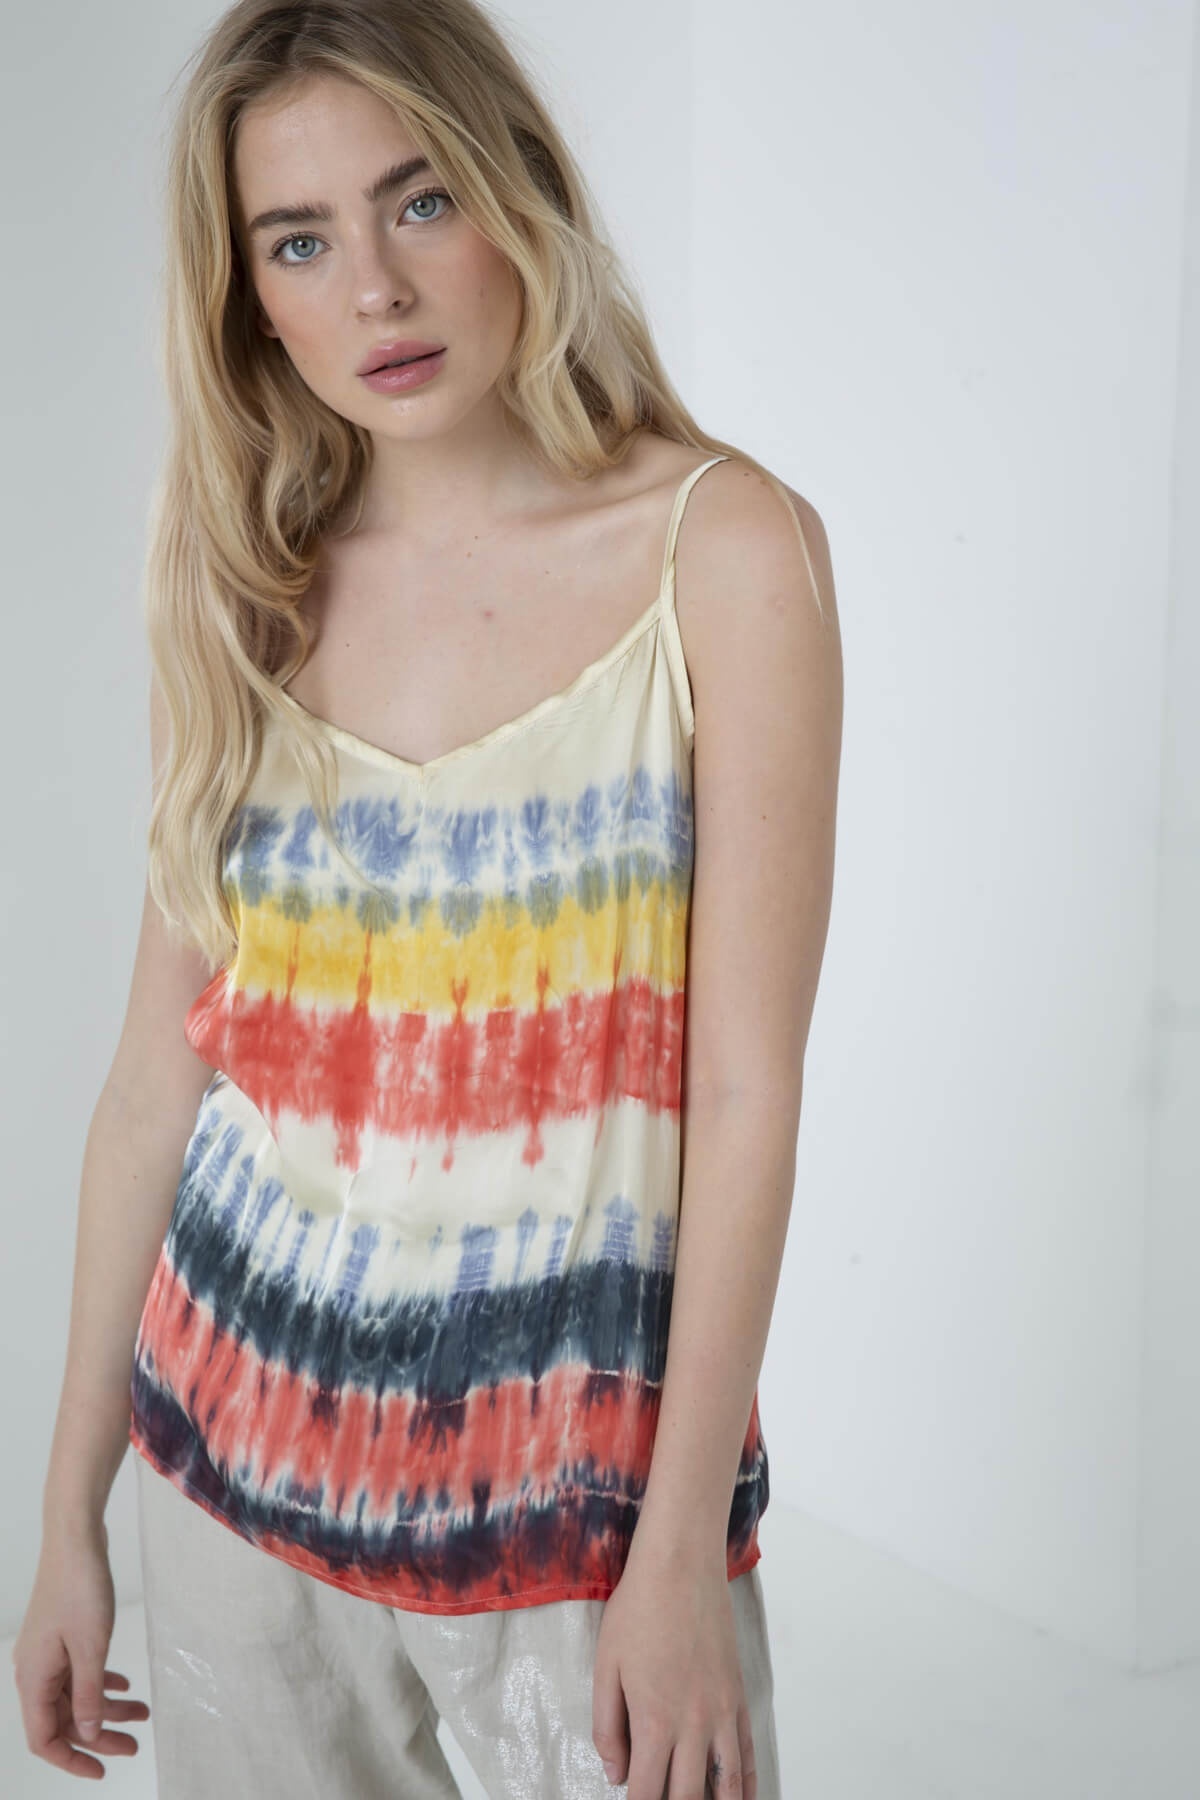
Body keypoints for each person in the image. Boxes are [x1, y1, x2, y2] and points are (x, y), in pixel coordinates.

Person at [11, 1, 842, 1794]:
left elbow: (743, 1091)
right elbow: (157, 1080)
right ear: (252, 297)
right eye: (299, 240)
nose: (375, 289)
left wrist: (677, 1550)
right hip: (229, 1486)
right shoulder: (248, 588)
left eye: (419, 200)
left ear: (517, 188)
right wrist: (67, 1512)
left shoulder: (723, 551)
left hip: (576, 1515)